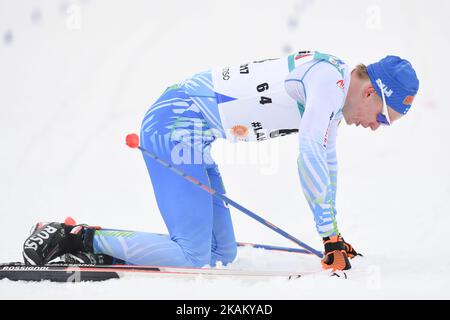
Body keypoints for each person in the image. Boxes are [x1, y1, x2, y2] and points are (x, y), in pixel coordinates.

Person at [22, 51, 419, 271]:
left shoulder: (330, 102)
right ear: (371, 94)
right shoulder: (329, 81)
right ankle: (70, 236)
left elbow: (325, 166)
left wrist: (333, 233)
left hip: (195, 136)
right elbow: (310, 154)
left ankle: (107, 250)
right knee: (193, 256)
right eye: (384, 118)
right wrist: (328, 236)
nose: (378, 127)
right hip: (173, 124)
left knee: (220, 254)